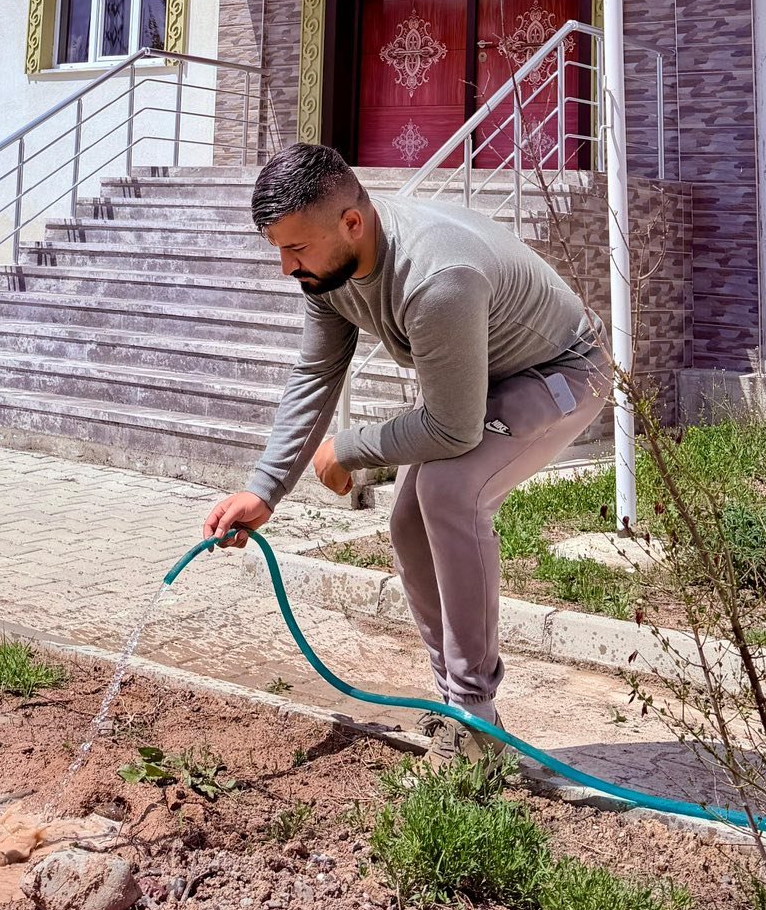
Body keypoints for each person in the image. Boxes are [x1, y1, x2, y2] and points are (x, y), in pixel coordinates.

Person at [204, 142, 608, 758]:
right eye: (278, 249)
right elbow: (316, 374)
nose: (287, 267)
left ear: (352, 222)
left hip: (561, 375)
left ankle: (475, 722)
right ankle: (454, 703)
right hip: (484, 383)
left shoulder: (435, 276)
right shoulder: (328, 269)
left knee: (449, 493)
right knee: (408, 517)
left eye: (297, 248)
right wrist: (264, 489)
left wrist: (349, 447)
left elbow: (452, 430)